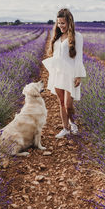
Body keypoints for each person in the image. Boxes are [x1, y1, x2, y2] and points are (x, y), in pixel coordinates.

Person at [42, 8, 86, 138]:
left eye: (63, 23)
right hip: (58, 73)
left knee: (68, 104)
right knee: (61, 103)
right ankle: (65, 128)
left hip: (70, 74)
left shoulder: (77, 36)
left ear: (69, 22)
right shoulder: (57, 36)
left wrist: (78, 75)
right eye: (59, 23)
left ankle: (73, 123)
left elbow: (79, 57)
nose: (61, 25)